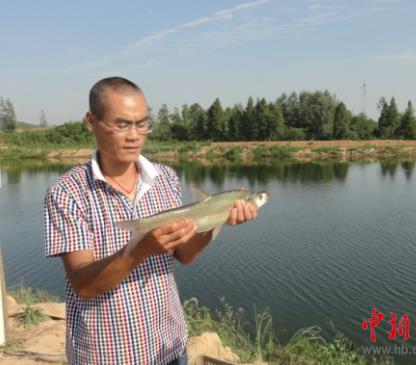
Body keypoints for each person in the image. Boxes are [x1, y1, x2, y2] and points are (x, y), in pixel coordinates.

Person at [44, 77, 257, 365]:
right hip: (107, 354)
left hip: (168, 347)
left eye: (142, 123)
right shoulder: (67, 192)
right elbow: (83, 284)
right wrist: (141, 248)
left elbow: (184, 254)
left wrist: (216, 219)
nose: (135, 135)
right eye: (122, 124)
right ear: (92, 122)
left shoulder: (165, 178)